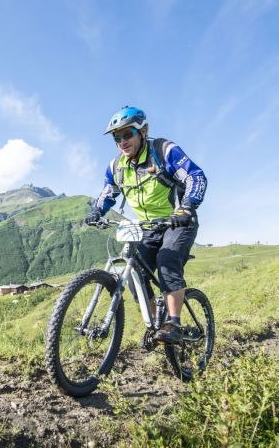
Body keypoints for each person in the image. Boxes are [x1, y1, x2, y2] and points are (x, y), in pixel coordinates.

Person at [84, 106, 207, 343]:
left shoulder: (163, 151)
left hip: (178, 221)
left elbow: (196, 177)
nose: (122, 141)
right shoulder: (116, 167)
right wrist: (96, 211)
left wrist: (187, 206)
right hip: (147, 227)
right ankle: (155, 325)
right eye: (116, 137)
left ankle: (173, 323)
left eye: (127, 133)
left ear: (143, 131)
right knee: (132, 273)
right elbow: (108, 192)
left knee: (167, 259)